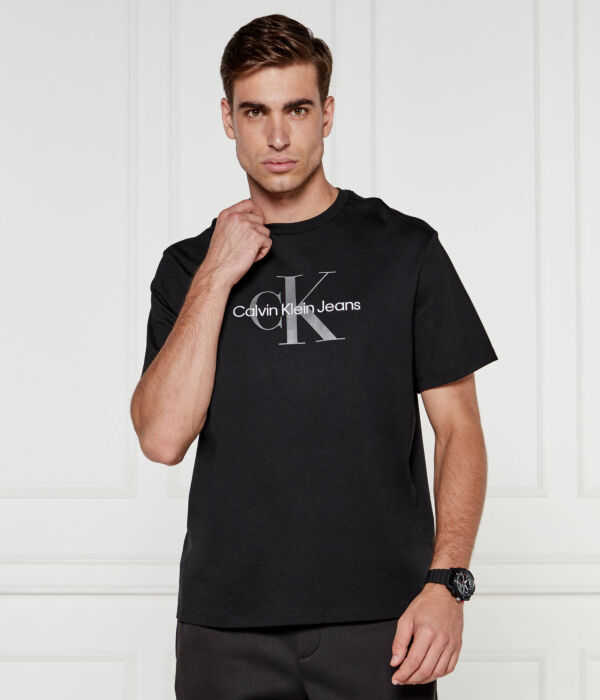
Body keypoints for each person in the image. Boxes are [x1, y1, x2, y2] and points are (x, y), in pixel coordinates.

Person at [130, 13, 498, 700]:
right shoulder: (187, 268)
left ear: (326, 114)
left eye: (296, 109)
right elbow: (161, 438)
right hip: (225, 627)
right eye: (255, 112)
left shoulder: (404, 250)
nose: (277, 136)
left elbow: (459, 429)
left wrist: (448, 583)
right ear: (228, 119)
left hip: (385, 622)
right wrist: (217, 274)